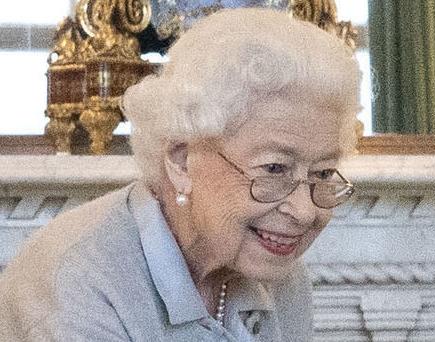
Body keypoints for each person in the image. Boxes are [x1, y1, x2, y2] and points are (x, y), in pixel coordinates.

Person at [0, 7, 361, 342]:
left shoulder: (278, 270)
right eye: (274, 169)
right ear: (182, 160)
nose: (304, 211)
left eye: (323, 172)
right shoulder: (79, 284)